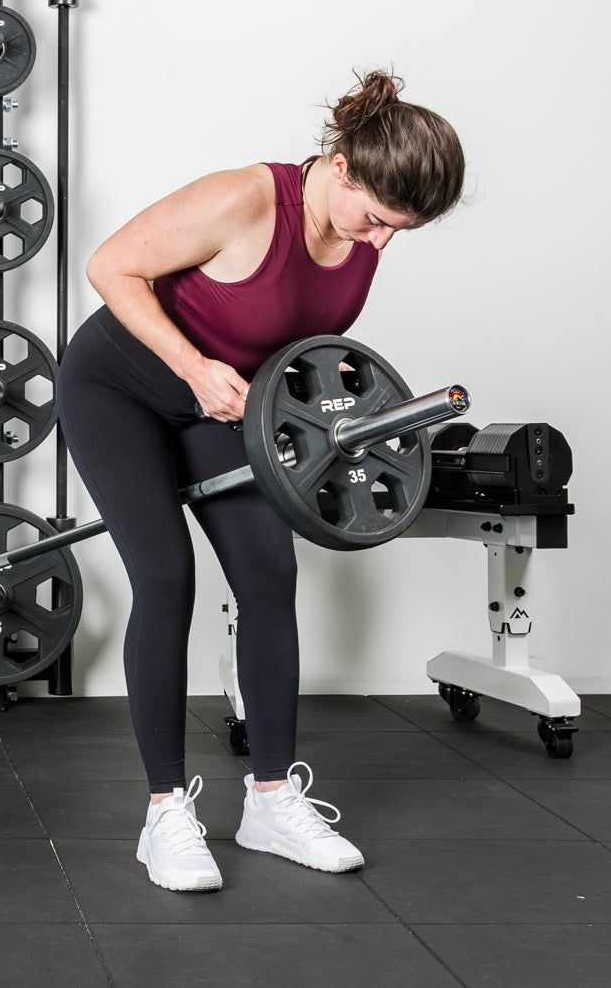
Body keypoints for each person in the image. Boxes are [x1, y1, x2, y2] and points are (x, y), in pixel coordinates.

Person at [53, 70, 465, 893]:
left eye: (400, 231)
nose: (381, 241)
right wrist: (192, 367)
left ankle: (271, 801)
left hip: (223, 407)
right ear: (342, 166)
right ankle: (165, 814)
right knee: (165, 576)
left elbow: (299, 356)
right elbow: (110, 267)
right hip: (118, 389)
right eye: (377, 218)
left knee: (270, 573)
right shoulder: (246, 199)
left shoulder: (361, 236)